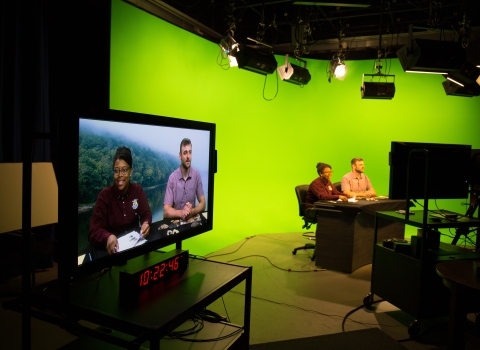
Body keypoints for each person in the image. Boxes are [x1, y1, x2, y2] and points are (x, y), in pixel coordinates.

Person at [89, 146, 152, 255]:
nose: (120, 175)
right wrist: (108, 236)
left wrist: (146, 223)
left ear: (130, 171)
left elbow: (146, 213)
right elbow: (94, 231)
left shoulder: (137, 191)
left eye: (124, 170)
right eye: (116, 171)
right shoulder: (104, 196)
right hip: (113, 253)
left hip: (135, 249)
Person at [163, 138, 206, 220]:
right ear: (180, 156)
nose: (188, 156)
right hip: (176, 225)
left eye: (190, 152)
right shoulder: (172, 178)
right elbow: (166, 211)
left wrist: (192, 211)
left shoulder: (196, 175)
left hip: (191, 222)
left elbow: (203, 203)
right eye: (185, 153)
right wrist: (181, 213)